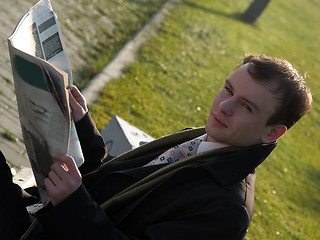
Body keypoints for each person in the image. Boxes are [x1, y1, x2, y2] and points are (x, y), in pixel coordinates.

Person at [0, 55, 312, 240]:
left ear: (272, 133)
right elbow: (120, 184)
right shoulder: (204, 141)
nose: (224, 106)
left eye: (246, 106)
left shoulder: (226, 212)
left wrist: (71, 204)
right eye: (228, 89)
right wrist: (82, 122)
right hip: (42, 215)